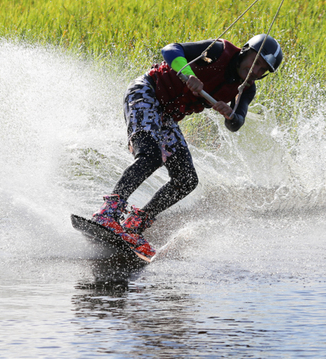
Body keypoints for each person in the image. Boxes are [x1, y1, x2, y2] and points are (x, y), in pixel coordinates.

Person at [90, 35, 284, 258]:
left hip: (166, 117)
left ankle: (134, 226)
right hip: (146, 93)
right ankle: (107, 213)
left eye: (262, 69)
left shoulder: (246, 89)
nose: (256, 71)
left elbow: (236, 122)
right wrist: (188, 74)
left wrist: (230, 114)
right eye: (256, 61)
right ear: (246, 51)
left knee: (187, 180)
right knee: (151, 157)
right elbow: (171, 50)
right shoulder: (218, 51)